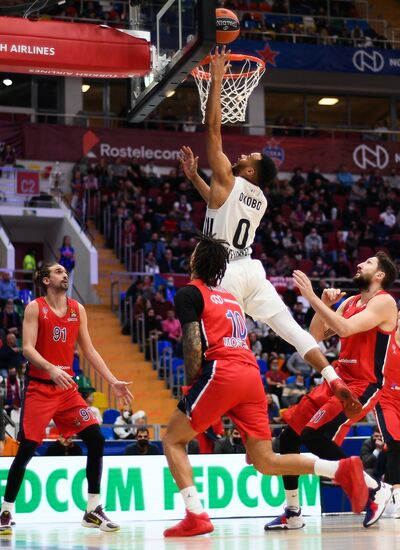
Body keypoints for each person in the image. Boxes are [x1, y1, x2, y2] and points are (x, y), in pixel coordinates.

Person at [180, 46, 361, 424]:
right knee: (291, 329)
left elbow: (212, 130)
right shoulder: (257, 197)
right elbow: (219, 205)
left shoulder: (230, 179)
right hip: (250, 269)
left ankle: (206, 394)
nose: (245, 154)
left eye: (251, 158)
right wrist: (195, 178)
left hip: (223, 271)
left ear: (248, 173)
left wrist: (216, 78)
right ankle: (332, 377)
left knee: (207, 331)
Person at [162, 233, 368, 538]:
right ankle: (339, 469)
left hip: (222, 372)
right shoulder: (231, 299)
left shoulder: (189, 294)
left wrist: (193, 387)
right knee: (266, 460)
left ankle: (195, 514)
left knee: (172, 440)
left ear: (194, 260)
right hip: (250, 375)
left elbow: (193, 349)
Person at [265, 252, 397, 531]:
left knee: (314, 436)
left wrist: (311, 297)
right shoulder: (349, 301)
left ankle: (375, 489)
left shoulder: (385, 302)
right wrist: (323, 304)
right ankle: (293, 512)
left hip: (363, 384)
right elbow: (317, 335)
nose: (360, 264)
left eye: (368, 263)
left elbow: (345, 329)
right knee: (288, 437)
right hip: (336, 377)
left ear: (380, 275)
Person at [0, 262, 133, 535]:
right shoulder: (35, 307)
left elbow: (90, 351)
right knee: (27, 449)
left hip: (67, 390)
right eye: (58, 271)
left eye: (65, 271)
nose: (64, 274)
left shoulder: (77, 309)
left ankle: (92, 509)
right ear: (46, 280)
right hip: (40, 387)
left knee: (96, 438)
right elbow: (26, 348)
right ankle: (6, 511)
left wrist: (112, 380)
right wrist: (50, 369)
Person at [374, 310, 400, 518]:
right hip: (386, 400)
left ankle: (389, 493)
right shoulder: (385, 335)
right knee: (396, 444)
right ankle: (396, 497)